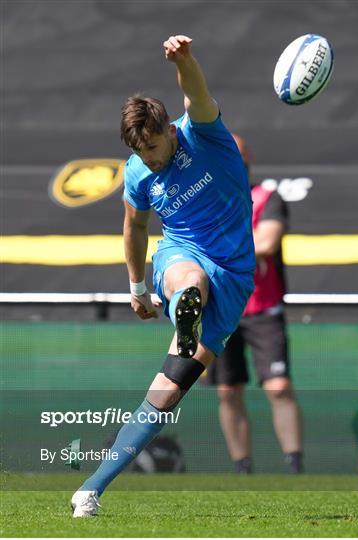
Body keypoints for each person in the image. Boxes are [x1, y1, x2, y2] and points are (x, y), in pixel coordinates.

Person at [71, 35, 255, 517]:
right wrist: (136, 288)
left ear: (169, 130)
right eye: (141, 152)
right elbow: (134, 227)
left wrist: (185, 59)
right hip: (181, 253)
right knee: (189, 278)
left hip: (234, 274)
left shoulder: (203, 133)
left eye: (154, 146)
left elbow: (196, 93)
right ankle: (185, 305)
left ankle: (90, 486)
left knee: (166, 393)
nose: (150, 158)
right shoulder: (138, 173)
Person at [203, 134, 304, 474]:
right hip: (223, 308)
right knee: (228, 390)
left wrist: (218, 248)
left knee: (278, 386)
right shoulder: (208, 202)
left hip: (263, 307)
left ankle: (294, 464)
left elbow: (267, 241)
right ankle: (242, 468)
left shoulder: (267, 197)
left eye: (239, 157)